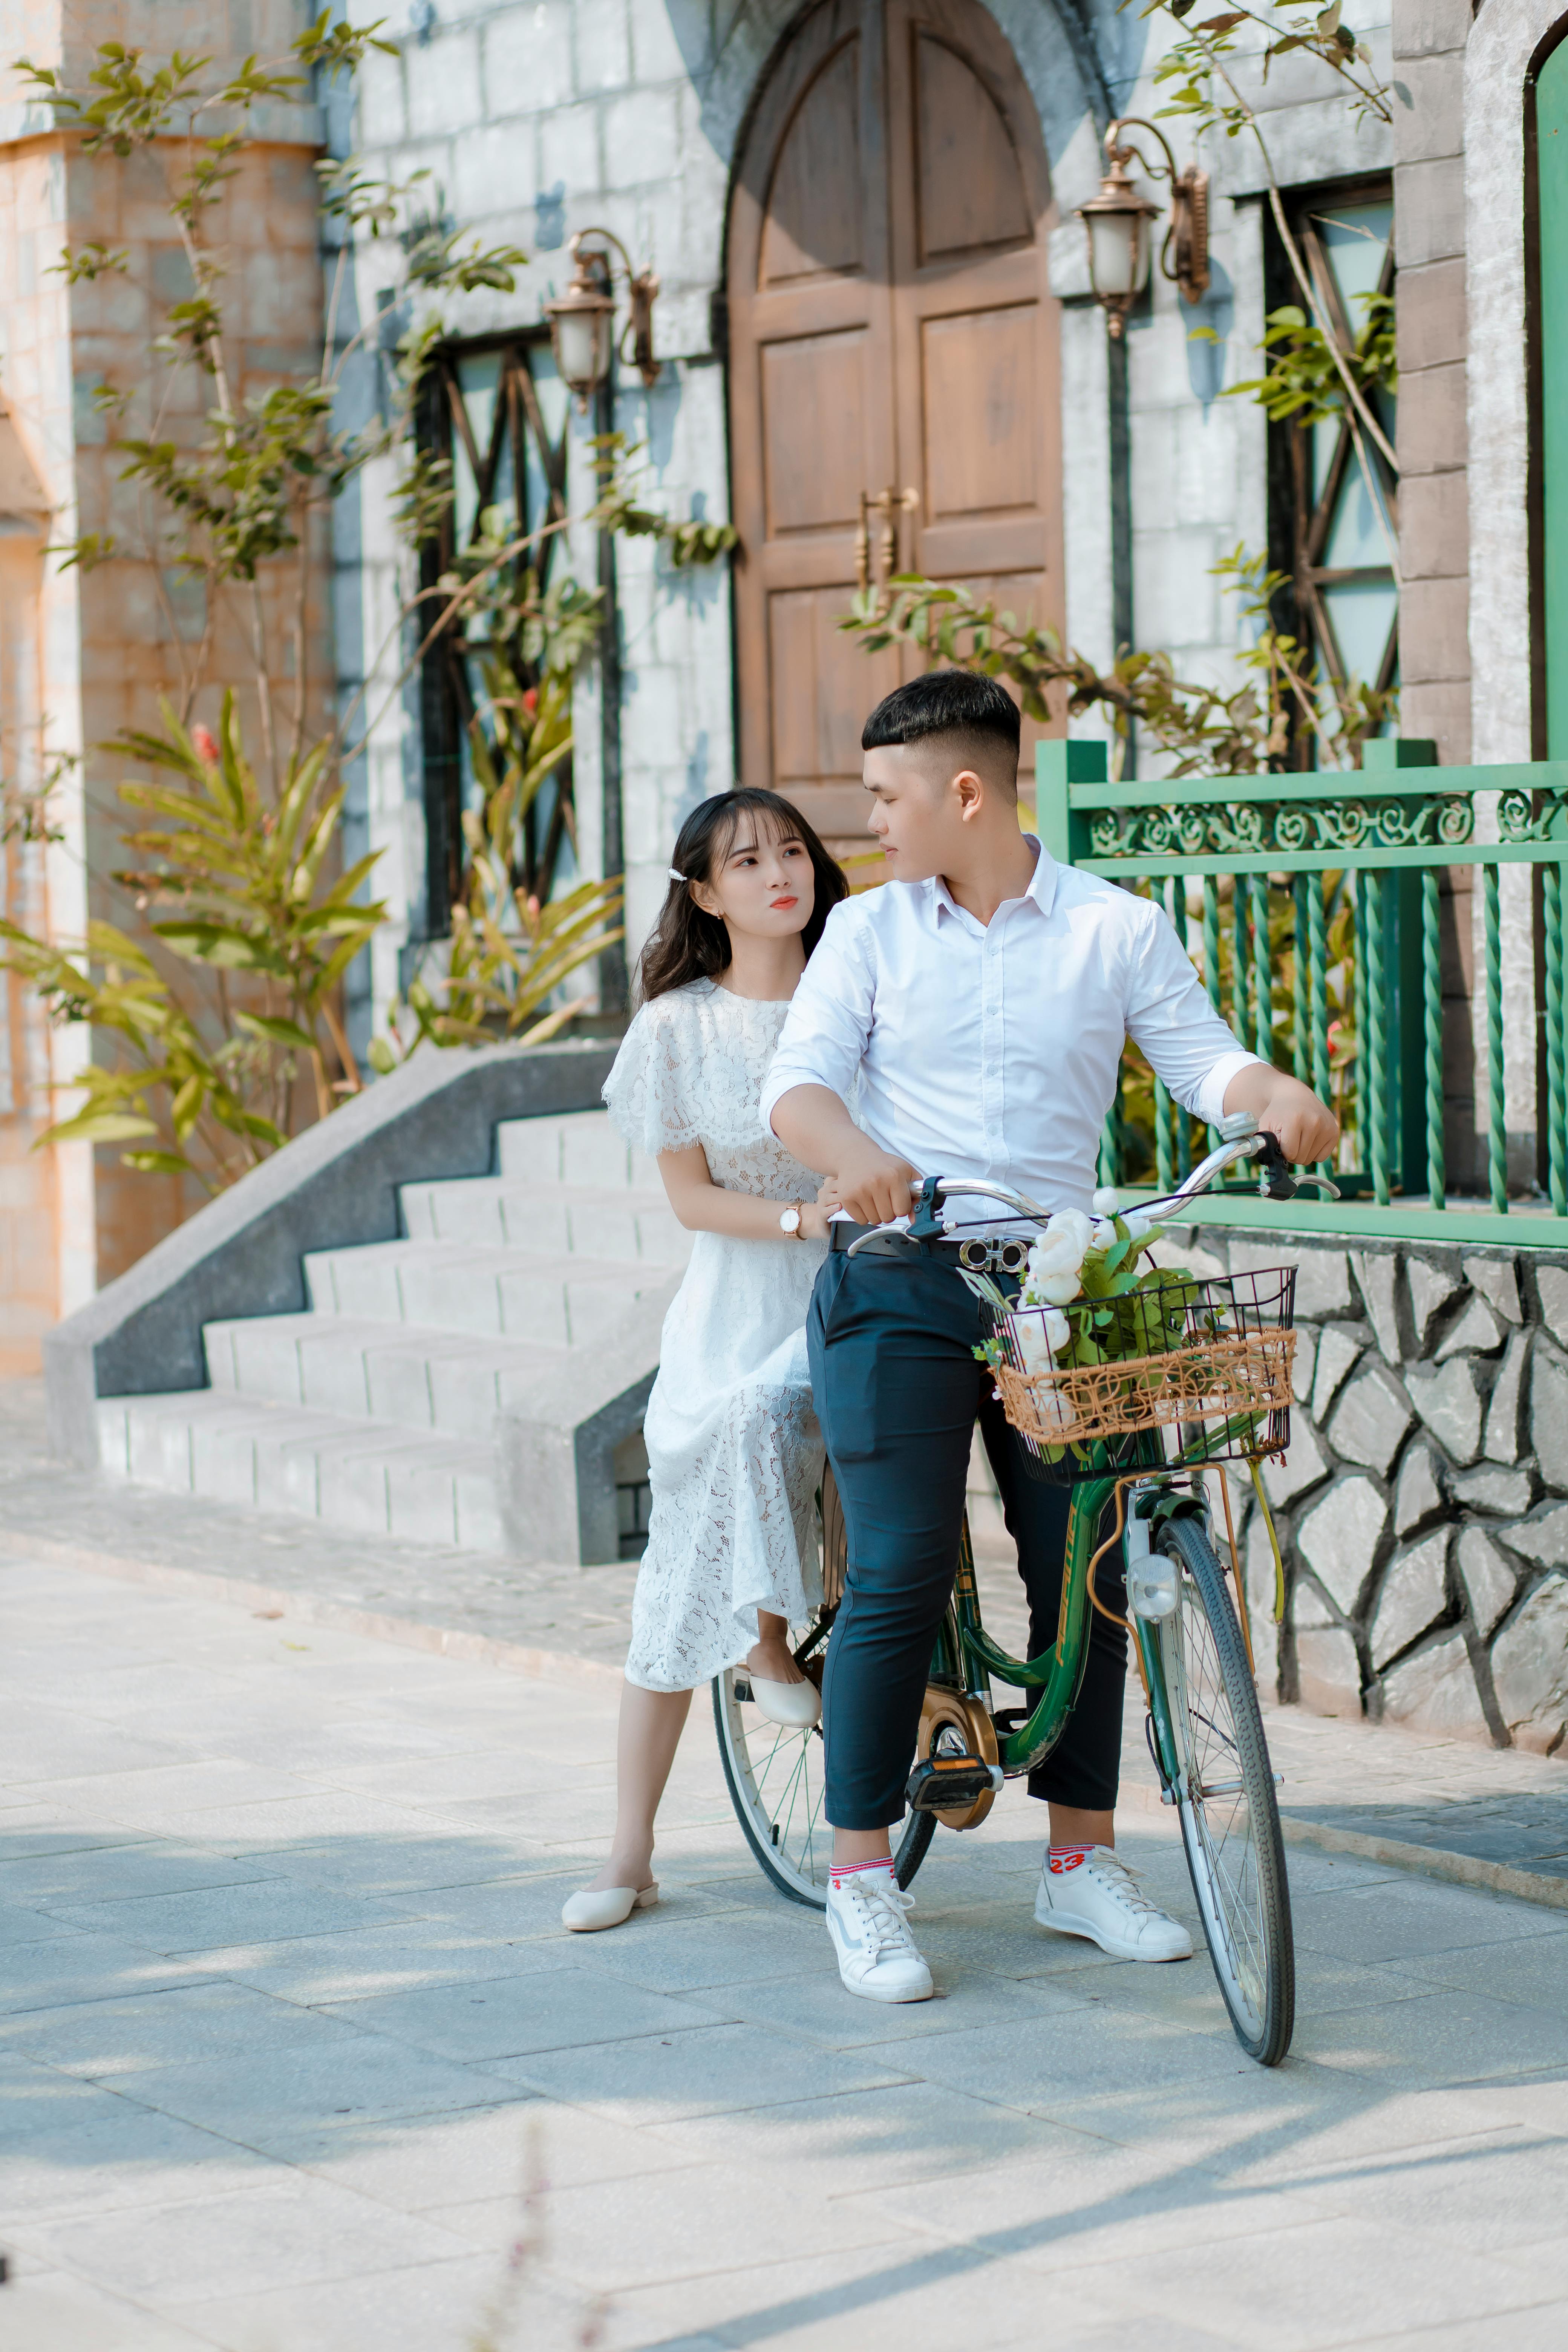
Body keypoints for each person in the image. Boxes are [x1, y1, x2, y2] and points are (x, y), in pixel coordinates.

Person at [762, 671, 1340, 2003]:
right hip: (898, 1272)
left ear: (965, 792)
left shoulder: (1113, 929)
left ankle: (1079, 1863)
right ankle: (863, 1882)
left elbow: (1205, 1064)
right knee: (904, 1564)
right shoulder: (868, 936)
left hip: (1060, 1293)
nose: (874, 826)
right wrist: (854, 1158)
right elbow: (798, 1085)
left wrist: (1276, 1093)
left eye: (888, 799)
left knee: (1088, 1563)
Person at [562, 788, 849, 1933]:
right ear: (704, 892)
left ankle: (780, 1644)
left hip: (854, 1286)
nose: (779, 873)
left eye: (792, 852)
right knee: (677, 1570)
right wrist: (798, 1221)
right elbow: (689, 1198)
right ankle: (628, 1854)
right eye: (747, 861)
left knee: (778, 1431)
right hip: (741, 1298)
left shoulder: (852, 992)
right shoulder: (678, 1026)